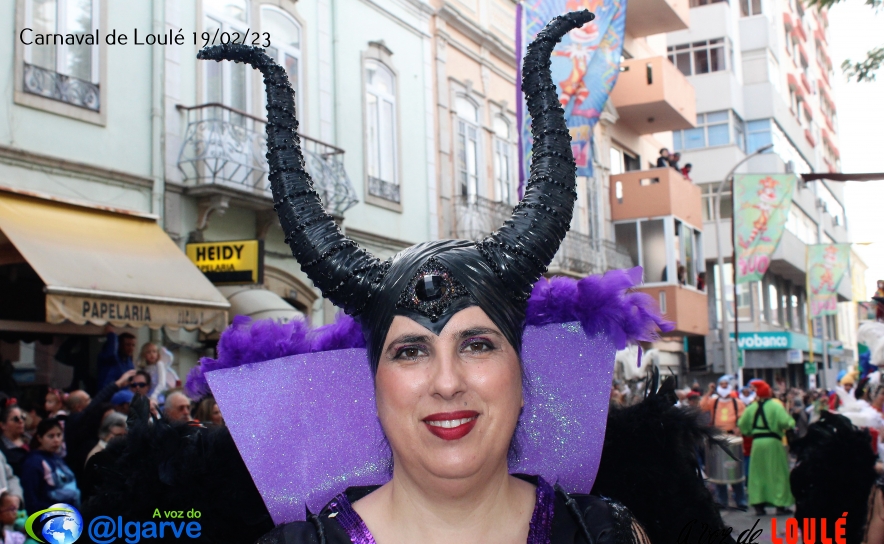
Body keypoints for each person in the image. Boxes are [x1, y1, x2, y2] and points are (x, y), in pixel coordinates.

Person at [193, 16, 660, 543]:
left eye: (478, 344)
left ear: (523, 375)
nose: (446, 382)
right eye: (410, 351)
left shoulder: (607, 536)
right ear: (372, 386)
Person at [64, 369, 136, 481]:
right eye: (88, 400)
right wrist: (117, 384)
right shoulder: (74, 422)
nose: (91, 401)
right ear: (78, 407)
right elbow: (93, 406)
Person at [737, 379, 795, 516]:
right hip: (773, 442)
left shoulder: (751, 407)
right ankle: (780, 504)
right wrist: (791, 421)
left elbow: (742, 424)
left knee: (757, 474)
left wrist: (749, 432)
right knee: (778, 473)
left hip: (757, 443)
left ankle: (758, 504)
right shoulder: (776, 406)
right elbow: (786, 423)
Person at [701, 379, 746, 510]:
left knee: (735, 469)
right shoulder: (713, 401)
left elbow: (744, 419)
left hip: (733, 438)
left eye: (726, 385)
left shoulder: (737, 403)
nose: (724, 387)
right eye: (722, 384)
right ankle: (722, 500)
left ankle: (740, 500)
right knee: (719, 470)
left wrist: (739, 428)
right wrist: (709, 392)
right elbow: (701, 406)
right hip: (718, 437)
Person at [21, 418, 79, 515]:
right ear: (39, 438)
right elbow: (31, 497)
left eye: (59, 435)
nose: (56, 440)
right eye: (50, 436)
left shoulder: (57, 458)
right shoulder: (33, 463)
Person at [96, 326, 136, 390]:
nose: (131, 348)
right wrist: (112, 335)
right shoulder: (110, 358)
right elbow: (111, 353)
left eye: (133, 345)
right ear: (119, 345)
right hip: (108, 396)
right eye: (128, 345)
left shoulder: (129, 361)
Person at [0, 407, 28, 478]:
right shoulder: (2, 450)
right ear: (3, 425)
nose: (21, 421)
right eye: (16, 419)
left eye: (23, 417)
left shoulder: (32, 440)